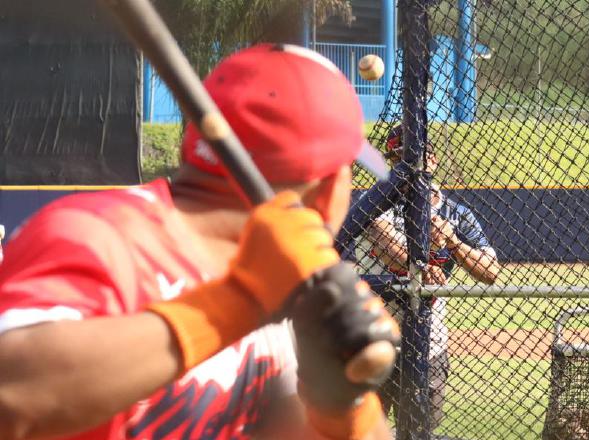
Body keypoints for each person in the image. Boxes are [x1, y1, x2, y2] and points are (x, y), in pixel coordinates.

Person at [0, 44, 399, 440]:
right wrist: (243, 299)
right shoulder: (101, 234)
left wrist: (344, 407)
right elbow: (11, 392)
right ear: (327, 190)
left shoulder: (281, 287)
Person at [356, 124, 499, 428]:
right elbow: (385, 242)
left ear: (431, 160)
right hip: (373, 339)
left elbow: (490, 272)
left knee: (420, 430)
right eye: (399, 160)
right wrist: (422, 262)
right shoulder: (375, 202)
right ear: (390, 163)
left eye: (415, 158)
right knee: (365, 431)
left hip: (428, 343)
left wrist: (453, 243)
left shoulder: (456, 214)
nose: (407, 168)